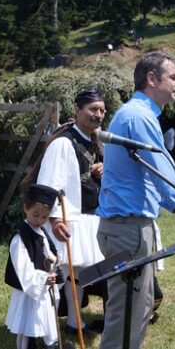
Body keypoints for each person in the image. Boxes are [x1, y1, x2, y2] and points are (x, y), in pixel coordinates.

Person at [96, 52, 175, 349]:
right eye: (174, 77)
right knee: (125, 319)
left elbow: (155, 175)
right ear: (152, 79)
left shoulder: (138, 114)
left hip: (130, 227)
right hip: (129, 230)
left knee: (140, 309)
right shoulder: (138, 116)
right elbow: (163, 173)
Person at [35, 89, 106, 335]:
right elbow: (48, 184)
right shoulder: (64, 142)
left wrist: (102, 168)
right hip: (65, 218)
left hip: (87, 217)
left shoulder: (95, 140)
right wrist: (54, 220)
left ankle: (75, 322)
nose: (98, 115)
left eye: (102, 110)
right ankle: (45, 328)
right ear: (77, 111)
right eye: (93, 110)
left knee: (77, 274)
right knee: (56, 273)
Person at [5, 184, 63, 349]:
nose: (39, 221)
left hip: (44, 290)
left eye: (44, 217)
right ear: (26, 208)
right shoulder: (20, 237)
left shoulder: (42, 231)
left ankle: (50, 345)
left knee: (45, 320)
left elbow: (48, 252)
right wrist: (43, 278)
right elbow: (23, 268)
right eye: (35, 215)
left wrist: (55, 259)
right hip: (29, 291)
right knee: (27, 323)